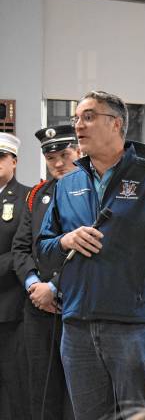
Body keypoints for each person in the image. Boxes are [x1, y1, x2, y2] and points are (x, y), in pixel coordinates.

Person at [37, 90, 145, 420]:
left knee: (137, 416)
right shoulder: (67, 185)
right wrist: (66, 241)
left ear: (116, 124)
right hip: (77, 324)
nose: (79, 126)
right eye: (76, 118)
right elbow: (43, 251)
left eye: (88, 117)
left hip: (130, 325)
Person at [12, 125, 80, 420]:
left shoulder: (91, 193)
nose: (59, 164)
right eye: (51, 158)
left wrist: (53, 286)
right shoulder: (38, 195)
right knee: (40, 391)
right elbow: (20, 248)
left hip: (73, 304)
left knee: (77, 393)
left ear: (79, 151)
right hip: (37, 307)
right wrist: (33, 285)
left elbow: (85, 250)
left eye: (65, 155)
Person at [0, 132, 31, 419]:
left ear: (14, 161)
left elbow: (25, 249)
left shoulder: (27, 198)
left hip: (10, 308)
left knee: (14, 387)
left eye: (1, 157)